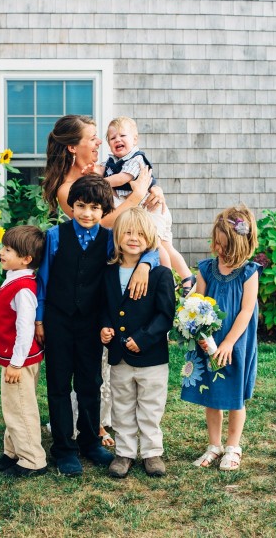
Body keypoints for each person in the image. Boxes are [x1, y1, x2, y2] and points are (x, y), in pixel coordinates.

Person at [35, 174, 159, 476]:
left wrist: (146, 264)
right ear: (72, 207)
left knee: (91, 383)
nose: (87, 213)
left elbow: (148, 249)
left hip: (91, 324)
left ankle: (90, 441)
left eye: (94, 208)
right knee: (60, 385)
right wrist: (39, 318)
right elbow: (44, 279)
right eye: (80, 206)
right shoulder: (55, 236)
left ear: (104, 210)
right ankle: (65, 448)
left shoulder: (109, 239)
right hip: (58, 320)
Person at [181, 205, 261, 471]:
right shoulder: (206, 268)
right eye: (216, 243)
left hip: (235, 342)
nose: (218, 249)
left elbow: (247, 311)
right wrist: (190, 308)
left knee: (234, 396)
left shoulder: (249, 272)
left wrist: (229, 343)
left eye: (224, 245)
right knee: (212, 394)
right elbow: (198, 300)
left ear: (240, 244)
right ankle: (214, 445)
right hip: (210, 341)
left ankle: (232, 447)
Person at [100, 207, 175, 479]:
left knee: (150, 406)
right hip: (119, 355)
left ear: (150, 237)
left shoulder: (160, 274)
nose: (134, 238)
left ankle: (152, 452)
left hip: (152, 357)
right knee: (122, 406)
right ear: (118, 235)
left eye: (141, 233)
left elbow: (165, 315)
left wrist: (142, 339)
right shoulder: (108, 273)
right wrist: (105, 328)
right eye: (128, 232)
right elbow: (105, 308)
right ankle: (124, 452)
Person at [99, 116, 193, 292]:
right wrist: (92, 171)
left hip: (151, 208)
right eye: (112, 138)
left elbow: (122, 178)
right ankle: (187, 276)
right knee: (166, 245)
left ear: (135, 139)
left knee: (156, 243)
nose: (117, 140)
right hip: (147, 208)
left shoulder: (136, 159)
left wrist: (102, 182)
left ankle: (168, 278)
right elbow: (100, 169)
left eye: (123, 136)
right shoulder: (112, 162)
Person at [0, 225, 48, 478]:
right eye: (3, 247)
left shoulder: (23, 288)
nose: (2, 252)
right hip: (16, 359)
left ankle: (33, 459)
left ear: (26, 259)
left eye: (8, 250)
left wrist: (15, 363)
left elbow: (24, 330)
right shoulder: (14, 278)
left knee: (21, 407)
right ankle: (12, 450)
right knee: (13, 404)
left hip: (19, 361)